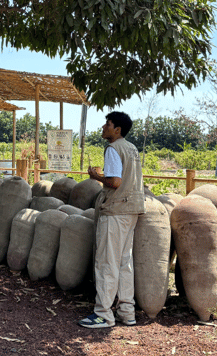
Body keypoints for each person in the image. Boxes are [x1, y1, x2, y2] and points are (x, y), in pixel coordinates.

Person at [79, 111, 145, 328]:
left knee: (107, 262)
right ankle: (127, 312)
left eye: (107, 124)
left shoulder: (113, 148)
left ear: (117, 130)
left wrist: (96, 177)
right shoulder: (132, 148)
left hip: (116, 211)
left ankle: (103, 314)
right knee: (125, 261)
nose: (103, 127)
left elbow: (115, 182)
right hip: (132, 210)